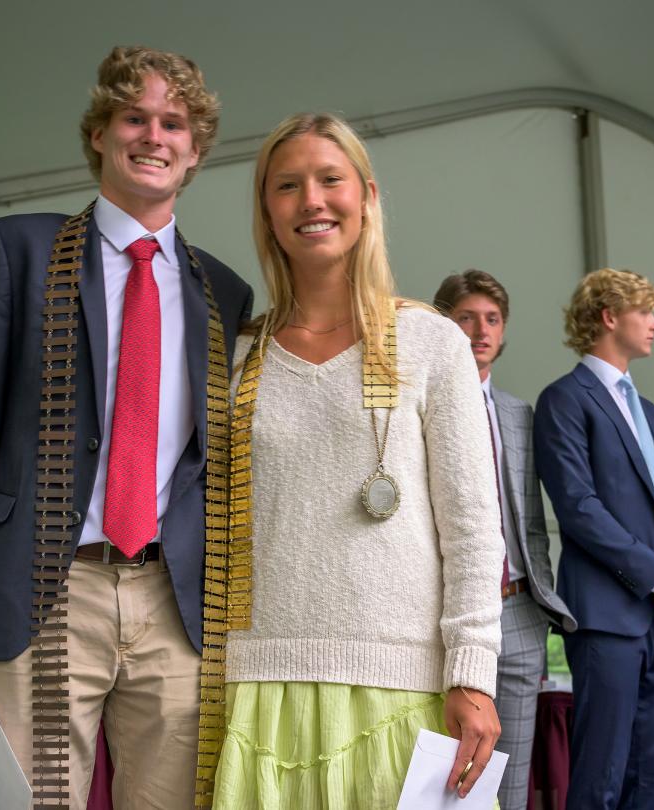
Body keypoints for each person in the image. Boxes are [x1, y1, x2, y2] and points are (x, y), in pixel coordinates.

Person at [0, 46, 253, 808]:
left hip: (174, 602)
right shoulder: (18, 252)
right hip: (45, 587)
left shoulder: (223, 291)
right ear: (100, 132)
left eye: (173, 123)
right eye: (134, 116)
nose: (153, 136)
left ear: (195, 150)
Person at [210, 113, 505, 809]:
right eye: (287, 186)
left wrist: (472, 673)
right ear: (267, 213)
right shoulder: (236, 354)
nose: (311, 200)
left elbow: (471, 527)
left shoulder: (433, 341)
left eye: (330, 179)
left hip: (404, 687)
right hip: (257, 684)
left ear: (367, 197)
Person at [532, 268, 654, 810]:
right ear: (610, 316)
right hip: (608, 613)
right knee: (602, 776)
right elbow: (578, 508)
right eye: (646, 312)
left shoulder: (653, 415)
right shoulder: (564, 399)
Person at [434, 269, 575, 810]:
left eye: (491, 319)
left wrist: (539, 606)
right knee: (444, 775)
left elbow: (531, 524)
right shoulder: (418, 403)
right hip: (447, 617)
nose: (480, 330)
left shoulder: (518, 414)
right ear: (444, 323)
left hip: (517, 613)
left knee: (509, 782)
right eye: (466, 317)